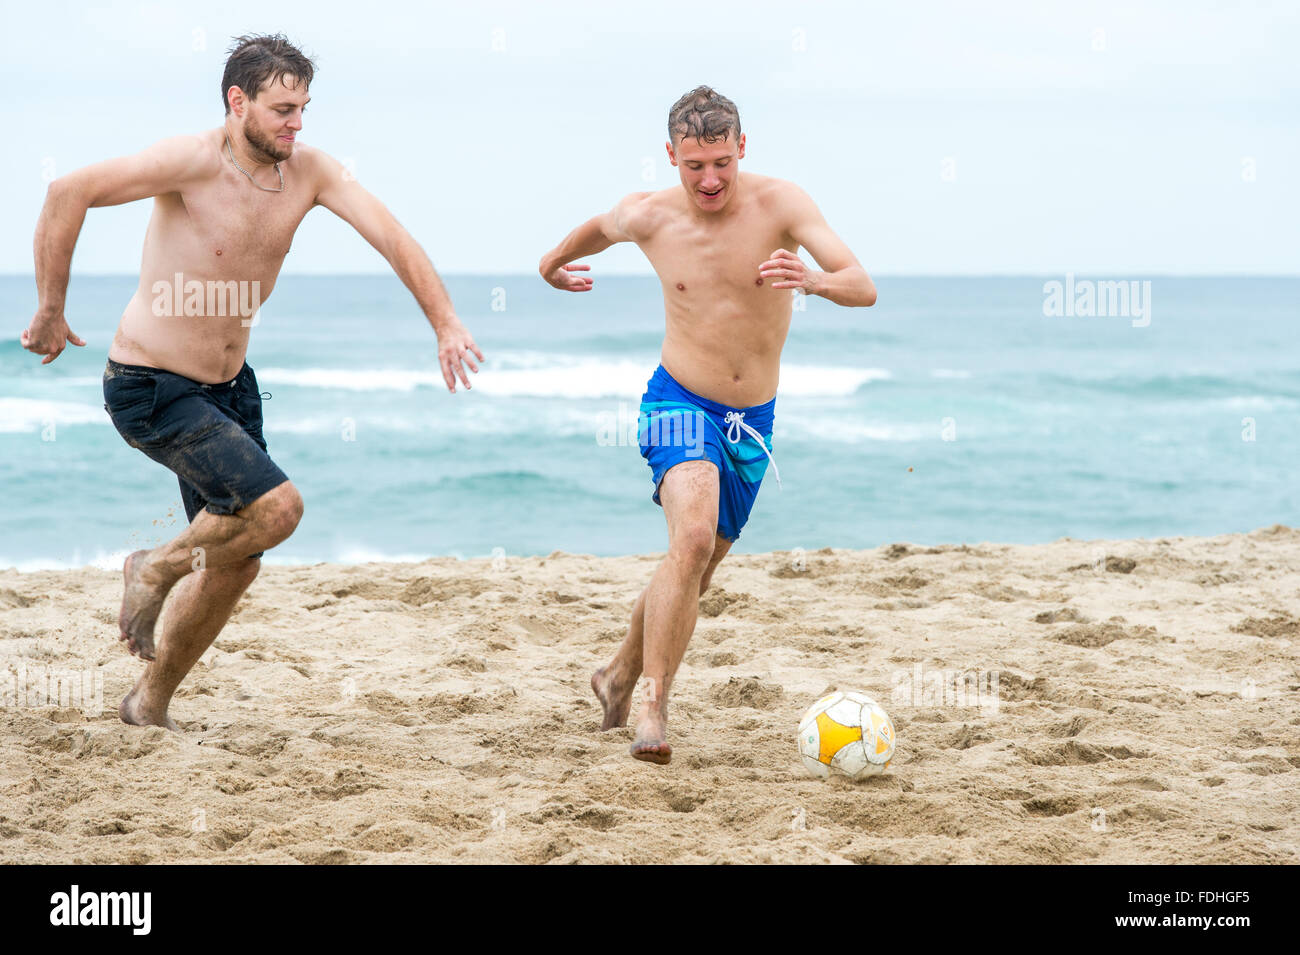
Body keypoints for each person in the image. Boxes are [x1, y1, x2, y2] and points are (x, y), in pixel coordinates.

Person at [19, 34, 483, 730]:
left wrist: (445, 322)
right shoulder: (192, 161)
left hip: (229, 389)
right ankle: (153, 566)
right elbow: (66, 192)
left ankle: (150, 702)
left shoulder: (311, 173)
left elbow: (392, 236)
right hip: (150, 384)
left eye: (303, 110)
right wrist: (51, 307)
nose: (296, 124)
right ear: (238, 103)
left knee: (238, 560)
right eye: (282, 110)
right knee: (278, 508)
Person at [539, 86, 876, 764]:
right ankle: (653, 706)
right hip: (676, 401)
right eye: (694, 166)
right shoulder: (649, 216)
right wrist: (551, 268)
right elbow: (593, 231)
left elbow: (861, 282)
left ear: (742, 147)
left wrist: (811, 280)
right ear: (670, 156)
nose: (711, 179)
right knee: (691, 539)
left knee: (696, 568)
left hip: (752, 421)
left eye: (722, 161)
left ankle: (616, 673)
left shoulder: (783, 204)